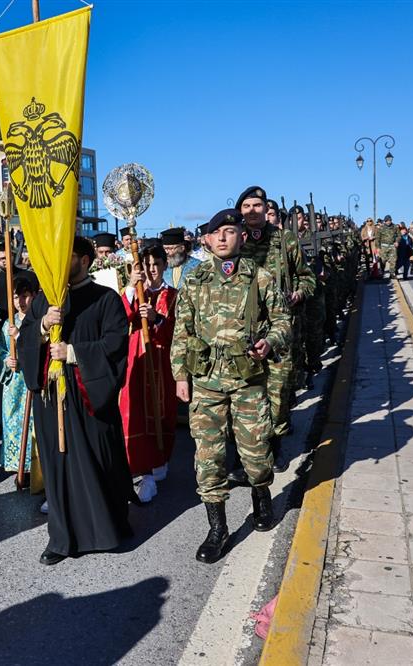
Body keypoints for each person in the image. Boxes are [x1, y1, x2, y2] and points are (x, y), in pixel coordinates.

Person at [170, 209, 291, 564]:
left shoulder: (260, 277)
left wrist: (270, 342)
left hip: (248, 379)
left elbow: (283, 321)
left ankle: (261, 496)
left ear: (241, 236)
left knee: (255, 451)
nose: (222, 237)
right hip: (206, 380)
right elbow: (182, 330)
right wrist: (180, 376)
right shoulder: (194, 281)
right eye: (215, 233)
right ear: (206, 240)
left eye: (229, 231)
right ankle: (217, 528)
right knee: (208, 456)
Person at [19, 236, 133, 566]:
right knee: (58, 467)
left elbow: (115, 345)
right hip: (52, 399)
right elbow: (26, 337)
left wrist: (72, 353)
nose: (57, 261)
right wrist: (41, 326)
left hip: (88, 397)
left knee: (100, 460)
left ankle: (109, 528)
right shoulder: (45, 301)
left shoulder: (105, 299)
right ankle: (62, 537)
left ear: (84, 260)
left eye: (65, 255)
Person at [238, 186, 314, 470]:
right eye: (247, 206)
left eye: (257, 205)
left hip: (281, 328)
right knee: (247, 393)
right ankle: (249, 453)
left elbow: (308, 278)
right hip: (244, 329)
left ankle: (276, 444)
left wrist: (299, 294)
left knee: (278, 392)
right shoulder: (236, 239)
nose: (252, 211)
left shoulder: (285, 240)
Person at [120, 244, 178, 503]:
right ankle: (139, 466)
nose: (151, 269)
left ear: (165, 265)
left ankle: (158, 462)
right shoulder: (133, 293)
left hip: (160, 358)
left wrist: (156, 319)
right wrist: (132, 288)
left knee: (160, 410)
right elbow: (121, 319)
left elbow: (178, 331)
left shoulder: (174, 295)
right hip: (136, 358)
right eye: (146, 265)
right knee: (133, 412)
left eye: (156, 264)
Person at [0, 276, 39, 482]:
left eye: (25, 296)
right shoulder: (7, 324)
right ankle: (16, 463)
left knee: (32, 422)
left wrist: (20, 337)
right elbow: (0, 349)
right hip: (14, 383)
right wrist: (6, 360)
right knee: (13, 420)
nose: (20, 302)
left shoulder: (37, 321)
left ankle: (33, 465)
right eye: (16, 297)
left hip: (31, 380)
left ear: (33, 296)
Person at [0, 240, 38, 328]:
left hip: (27, 324)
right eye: (1, 258)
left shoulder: (29, 277)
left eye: (7, 257)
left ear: (12, 256)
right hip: (1, 327)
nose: (5, 261)